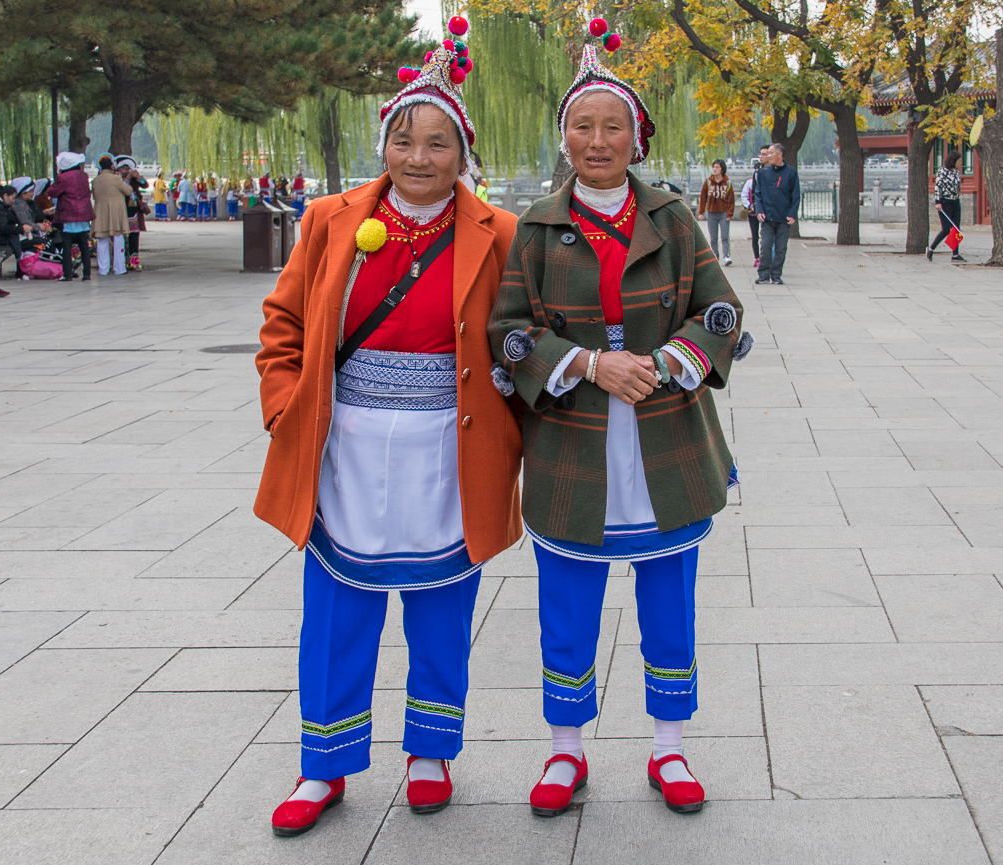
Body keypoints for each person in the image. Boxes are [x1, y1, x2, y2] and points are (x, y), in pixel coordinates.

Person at [257, 17, 522, 838]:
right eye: (404, 139)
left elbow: (520, 335)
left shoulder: (500, 232)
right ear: (385, 144)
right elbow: (283, 322)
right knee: (336, 606)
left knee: (443, 601)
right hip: (344, 440)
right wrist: (286, 405)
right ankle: (324, 762)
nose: (418, 157)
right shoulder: (330, 219)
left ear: (463, 154)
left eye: (438, 144)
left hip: (450, 438)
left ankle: (431, 750)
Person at [488, 34, 750, 819]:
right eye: (582, 128)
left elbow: (722, 311)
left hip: (666, 435)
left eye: (613, 128)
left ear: (637, 136)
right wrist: (588, 365)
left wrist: (669, 358)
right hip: (574, 442)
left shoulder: (673, 217)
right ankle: (565, 751)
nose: (597, 142)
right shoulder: (533, 228)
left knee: (670, 600)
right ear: (564, 138)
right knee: (566, 605)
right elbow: (507, 332)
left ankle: (669, 745)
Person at [754, 142, 799, 285]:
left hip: (783, 217)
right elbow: (758, 194)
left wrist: (792, 214)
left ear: (780, 154)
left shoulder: (791, 172)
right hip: (767, 217)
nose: (768, 156)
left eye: (771, 153)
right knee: (765, 246)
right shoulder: (763, 173)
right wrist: (759, 210)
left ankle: (776, 275)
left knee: (781, 248)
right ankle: (763, 275)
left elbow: (796, 195)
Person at [46, 151, 95, 282]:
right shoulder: (83, 175)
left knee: (66, 245)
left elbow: (53, 192)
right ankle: (87, 274)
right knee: (84, 245)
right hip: (83, 213)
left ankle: (67, 274)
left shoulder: (63, 178)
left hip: (68, 214)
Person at [91, 155, 134, 276]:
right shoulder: (116, 179)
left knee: (102, 241)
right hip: (116, 212)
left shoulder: (95, 180)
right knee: (118, 239)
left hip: (100, 212)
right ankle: (119, 268)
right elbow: (128, 191)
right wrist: (124, 180)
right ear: (111, 166)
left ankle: (103, 269)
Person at [929, 151, 966, 262]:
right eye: (959, 161)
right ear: (953, 160)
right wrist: (938, 202)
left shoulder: (957, 172)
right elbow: (938, 187)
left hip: (955, 202)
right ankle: (931, 249)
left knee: (956, 229)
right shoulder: (942, 171)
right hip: (945, 203)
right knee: (945, 229)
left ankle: (955, 254)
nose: (960, 163)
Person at [698, 159, 735, 266]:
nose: (715, 169)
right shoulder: (708, 182)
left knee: (724, 236)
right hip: (711, 212)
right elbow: (703, 198)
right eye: (714, 167)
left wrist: (730, 213)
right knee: (713, 237)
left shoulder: (727, 182)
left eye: (717, 167)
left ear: (722, 169)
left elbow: (731, 199)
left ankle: (726, 256)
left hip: (724, 212)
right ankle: (715, 255)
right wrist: (701, 212)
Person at [115, 156, 148, 271]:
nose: (126, 171)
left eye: (128, 168)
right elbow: (121, 188)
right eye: (123, 168)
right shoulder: (116, 179)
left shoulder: (134, 180)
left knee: (134, 235)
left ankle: (134, 260)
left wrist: (138, 177)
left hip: (133, 210)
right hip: (120, 209)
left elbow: (145, 185)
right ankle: (121, 260)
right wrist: (128, 178)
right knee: (120, 237)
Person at [740, 146, 769, 269]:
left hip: (765, 212)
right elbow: (744, 196)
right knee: (755, 236)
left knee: (766, 235)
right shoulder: (750, 182)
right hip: (753, 212)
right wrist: (750, 206)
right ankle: (757, 257)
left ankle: (765, 257)